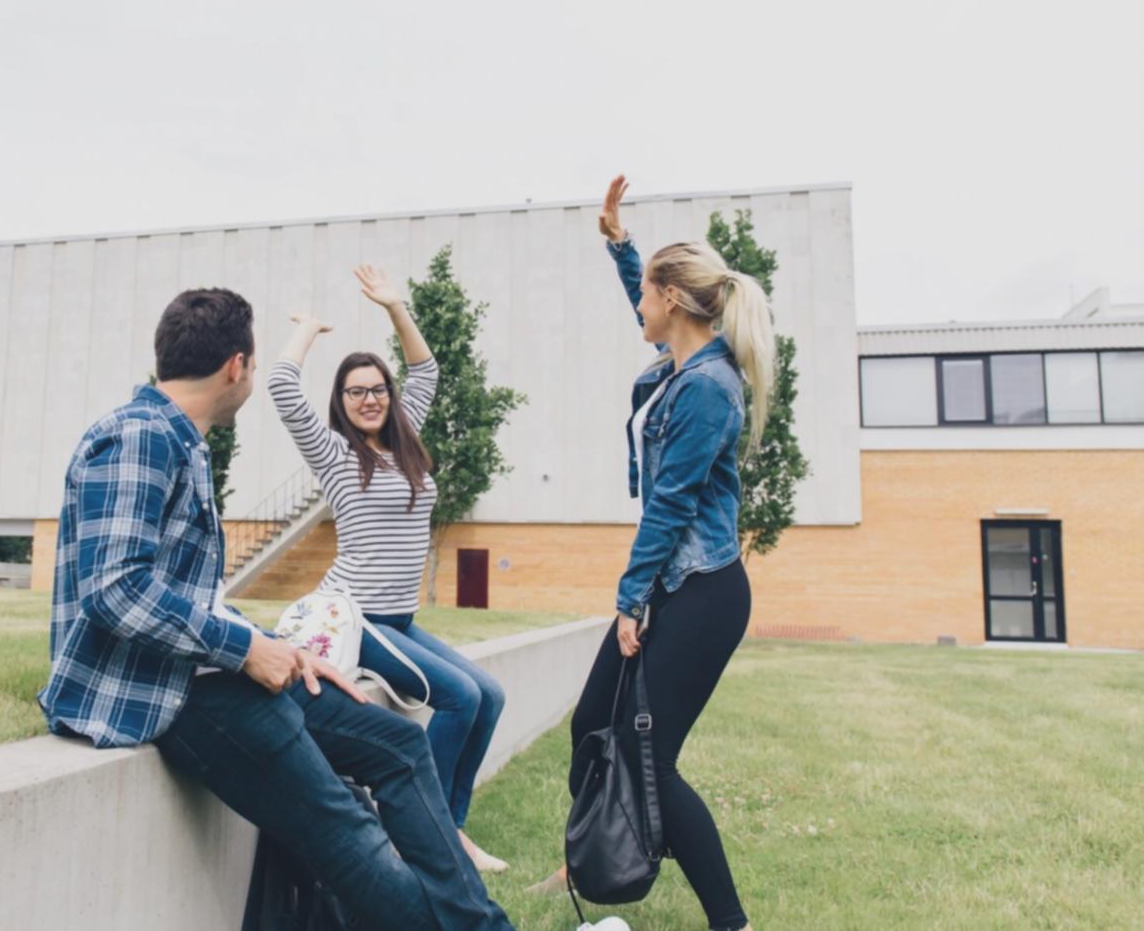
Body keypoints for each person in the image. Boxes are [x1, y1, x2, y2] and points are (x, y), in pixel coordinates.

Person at [37, 286, 511, 931]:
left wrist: (278, 649)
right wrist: (246, 650)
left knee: (398, 744)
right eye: (255, 364)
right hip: (165, 691)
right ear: (237, 366)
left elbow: (186, 599)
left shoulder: (179, 441)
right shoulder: (139, 437)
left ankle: (480, 921)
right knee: (347, 829)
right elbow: (116, 590)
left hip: (204, 669)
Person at [538, 176, 771, 931]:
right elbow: (643, 307)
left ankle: (729, 922)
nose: (637, 302)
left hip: (700, 590)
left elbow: (671, 505)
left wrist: (631, 598)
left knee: (650, 760)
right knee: (589, 729)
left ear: (672, 297)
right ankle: (590, 857)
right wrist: (619, 246)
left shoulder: (708, 388)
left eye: (645, 290)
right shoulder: (676, 364)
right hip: (673, 582)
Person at [267, 264, 510, 873]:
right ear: (341, 402)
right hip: (359, 615)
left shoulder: (406, 443)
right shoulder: (333, 453)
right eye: (356, 391)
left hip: (400, 618)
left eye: (377, 388)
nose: (369, 398)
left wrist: (395, 308)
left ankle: (452, 828)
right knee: (457, 699)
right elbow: (279, 383)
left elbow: (426, 369)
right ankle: (423, 830)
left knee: (492, 695)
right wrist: (308, 329)